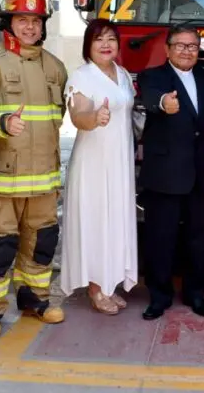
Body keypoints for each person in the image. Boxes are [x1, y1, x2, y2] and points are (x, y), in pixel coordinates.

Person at [0, 0, 67, 341]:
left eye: (36, 20)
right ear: (8, 22)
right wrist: (1, 122)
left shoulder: (55, 67)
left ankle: (35, 300)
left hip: (43, 180)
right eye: (22, 19)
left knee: (41, 244)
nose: (30, 27)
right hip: (0, 179)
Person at [138, 24, 204, 320]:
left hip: (201, 171)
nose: (187, 51)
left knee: (198, 238)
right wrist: (164, 103)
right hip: (165, 172)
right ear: (168, 48)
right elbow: (152, 98)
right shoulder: (152, 76)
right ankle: (159, 297)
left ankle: (195, 294)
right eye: (181, 45)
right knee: (161, 238)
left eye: (192, 46)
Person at [61, 19, 138, 314]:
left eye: (111, 39)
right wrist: (95, 118)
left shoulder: (123, 74)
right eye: (98, 39)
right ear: (88, 45)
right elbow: (78, 116)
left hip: (119, 161)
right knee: (95, 222)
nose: (106, 45)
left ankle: (109, 284)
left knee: (115, 220)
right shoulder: (81, 77)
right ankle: (95, 287)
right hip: (93, 163)